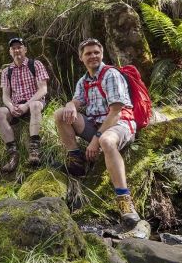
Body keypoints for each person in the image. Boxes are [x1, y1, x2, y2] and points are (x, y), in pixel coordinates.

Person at [54, 38, 140, 228]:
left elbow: (116, 112)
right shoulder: (83, 81)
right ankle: (77, 161)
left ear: (101, 54)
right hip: (96, 124)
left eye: (96, 52)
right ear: (81, 57)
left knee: (107, 142)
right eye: (88, 53)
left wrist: (95, 140)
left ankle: (124, 201)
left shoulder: (110, 74)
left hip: (119, 124)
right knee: (60, 114)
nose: (92, 56)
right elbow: (77, 101)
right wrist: (70, 105)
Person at [0, 37, 48, 173]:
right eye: (13, 48)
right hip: (16, 106)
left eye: (19, 47)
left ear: (25, 49)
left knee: (35, 105)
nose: (17, 50)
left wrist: (27, 105)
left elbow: (43, 89)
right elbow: (5, 95)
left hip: (35, 102)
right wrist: (11, 107)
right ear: (10, 52)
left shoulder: (35, 64)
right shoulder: (7, 71)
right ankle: (13, 154)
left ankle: (34, 150)